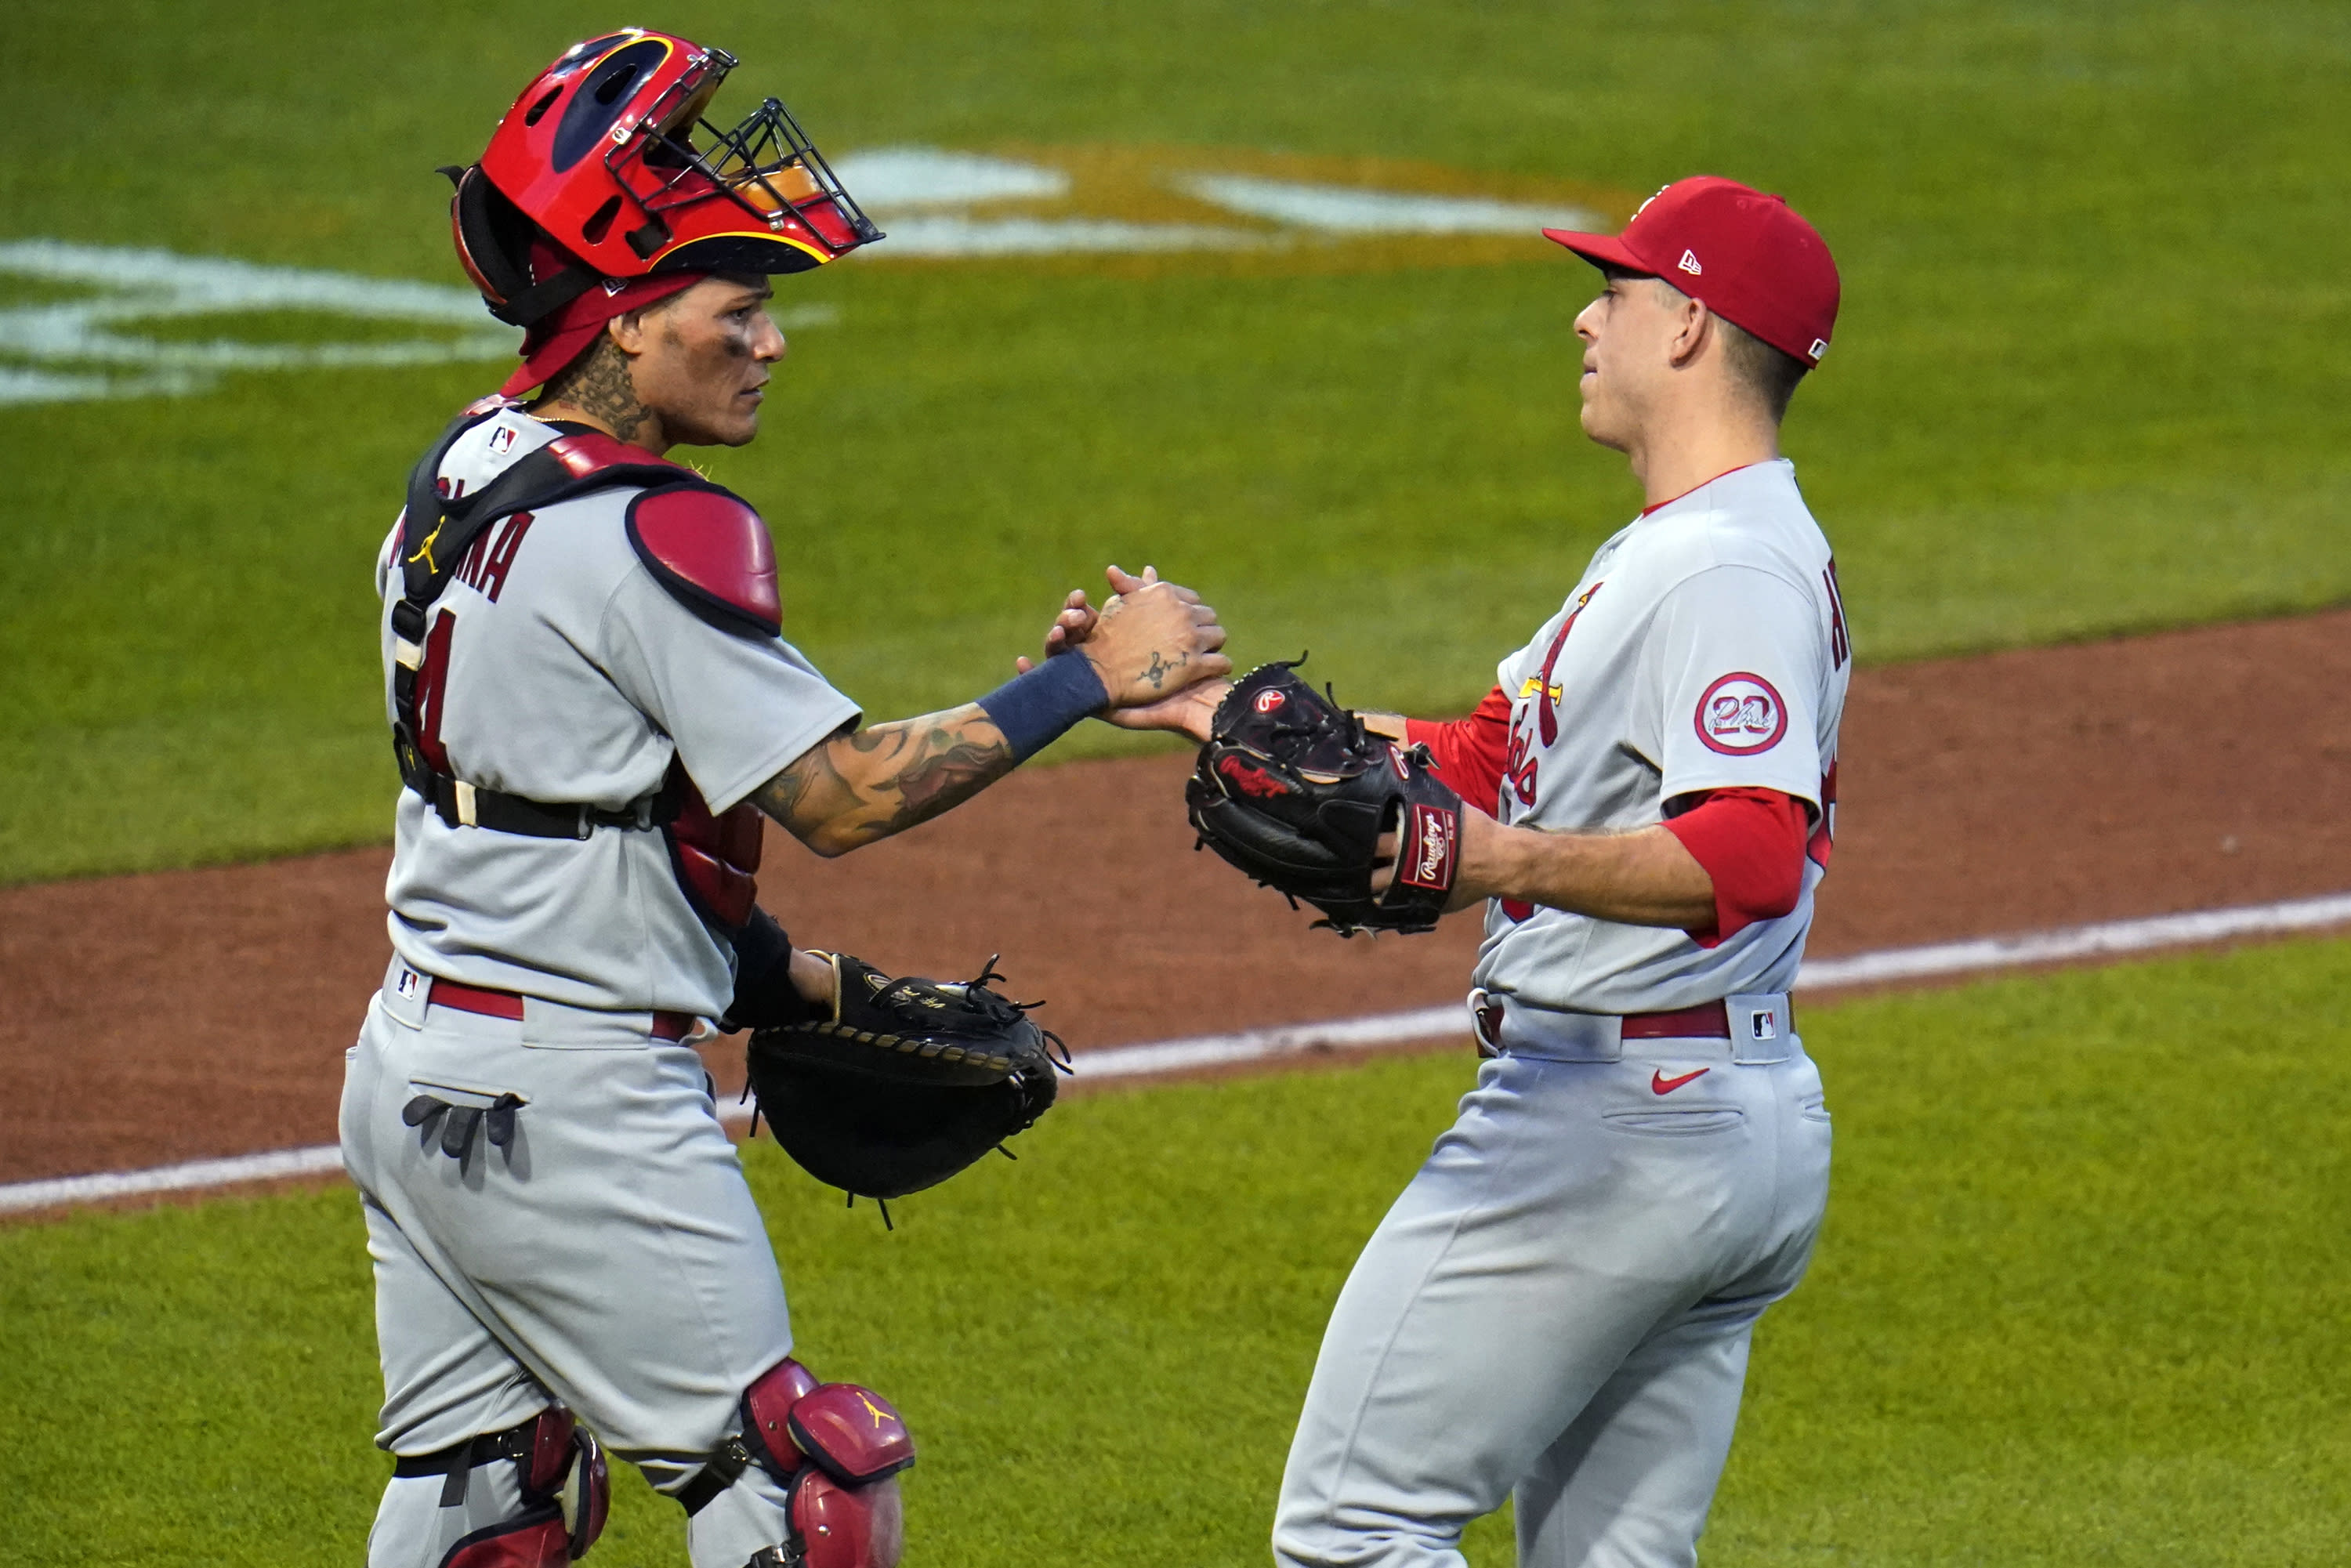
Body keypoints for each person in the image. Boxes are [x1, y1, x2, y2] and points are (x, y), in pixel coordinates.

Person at [338, 31, 1228, 1568]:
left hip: (416, 1068)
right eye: (733, 309)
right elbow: (841, 792)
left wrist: (806, 983)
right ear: (624, 319)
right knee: (793, 1486)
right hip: (577, 1098)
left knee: (480, 1498)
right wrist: (1091, 681)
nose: (770, 342)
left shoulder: (465, 470)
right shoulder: (655, 525)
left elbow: (578, 826)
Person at [1090, 175, 1849, 1566]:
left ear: (1688, 324)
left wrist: (1499, 861)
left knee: (1354, 1528)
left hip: (1618, 1123)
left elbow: (1753, 847)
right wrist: (1212, 708)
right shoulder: (1675, 550)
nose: (1584, 316)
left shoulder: (1726, 565)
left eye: (1613, 291)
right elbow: (1493, 755)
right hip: (1710, 1118)